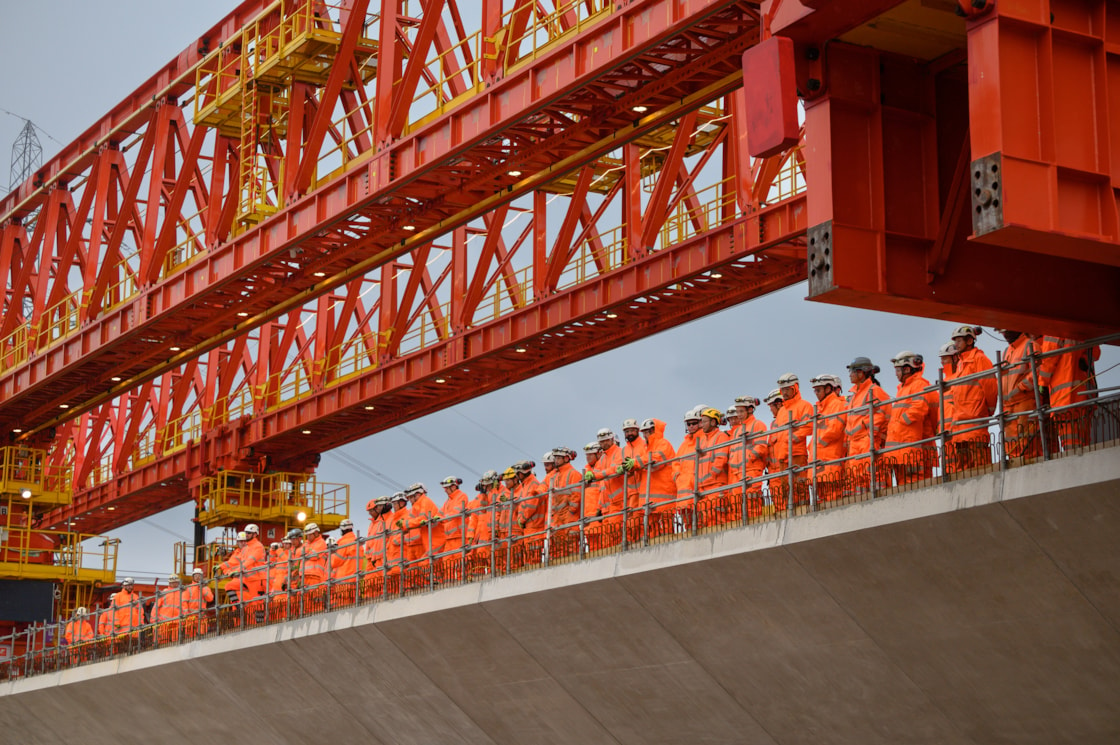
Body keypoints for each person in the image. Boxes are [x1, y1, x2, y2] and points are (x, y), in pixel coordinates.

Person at [947, 325, 997, 472]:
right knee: (963, 467)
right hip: (961, 423)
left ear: (969, 341)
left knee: (981, 465)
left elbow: (990, 387)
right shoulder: (962, 363)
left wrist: (989, 410)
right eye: (955, 341)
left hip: (974, 420)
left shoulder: (979, 359)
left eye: (959, 340)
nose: (956, 344)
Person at [1038, 335, 1100, 449]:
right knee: (1084, 441)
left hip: (1064, 399)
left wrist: (1042, 383)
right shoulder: (1081, 325)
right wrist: (1085, 359)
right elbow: (1095, 351)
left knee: (1070, 444)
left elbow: (1049, 360)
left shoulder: (1053, 329)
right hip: (1085, 395)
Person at [843, 357, 891, 491]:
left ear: (862, 372)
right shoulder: (855, 395)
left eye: (853, 371)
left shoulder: (874, 390)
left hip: (867, 440)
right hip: (855, 443)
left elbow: (883, 414)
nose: (850, 375)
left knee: (873, 473)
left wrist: (871, 434)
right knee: (857, 477)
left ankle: (879, 499)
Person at [886, 352, 932, 485]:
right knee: (903, 485)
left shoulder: (919, 384)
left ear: (907, 368)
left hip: (909, 446)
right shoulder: (902, 388)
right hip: (900, 449)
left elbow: (919, 408)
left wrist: (901, 422)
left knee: (914, 483)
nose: (896, 373)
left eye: (898, 370)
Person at [770, 374, 814, 506]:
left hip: (797, 454)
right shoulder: (782, 411)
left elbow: (809, 427)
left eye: (787, 389)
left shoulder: (804, 406)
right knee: (786, 490)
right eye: (782, 390)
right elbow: (778, 435)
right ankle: (791, 511)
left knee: (800, 488)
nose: (784, 393)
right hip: (783, 457)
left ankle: (803, 510)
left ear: (795, 388)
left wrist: (793, 438)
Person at [727, 396, 769, 517]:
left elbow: (760, 447)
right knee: (737, 504)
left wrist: (747, 460)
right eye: (737, 411)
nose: (738, 415)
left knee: (752, 503)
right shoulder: (736, 431)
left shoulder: (758, 425)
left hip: (751, 470)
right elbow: (733, 451)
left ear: (750, 410)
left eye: (741, 411)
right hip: (737, 472)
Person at [636, 418, 678, 537]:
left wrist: (635, 462)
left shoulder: (664, 444)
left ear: (654, 430)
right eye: (643, 432)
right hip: (650, 497)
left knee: (666, 526)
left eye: (647, 432)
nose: (644, 435)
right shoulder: (645, 448)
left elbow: (656, 461)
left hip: (664, 495)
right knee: (651, 528)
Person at [808, 375, 846, 502]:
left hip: (830, 460)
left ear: (828, 389)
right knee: (821, 501)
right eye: (815, 391)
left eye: (818, 390)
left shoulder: (837, 405)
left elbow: (835, 430)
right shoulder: (819, 408)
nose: (816, 394)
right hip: (818, 461)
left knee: (833, 499)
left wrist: (818, 443)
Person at [589, 428, 625, 547]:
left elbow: (613, 469)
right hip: (606, 505)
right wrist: (599, 507)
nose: (604, 443)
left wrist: (596, 474)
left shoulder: (619, 452)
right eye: (601, 442)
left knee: (617, 531)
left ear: (612, 440)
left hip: (619, 500)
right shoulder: (603, 458)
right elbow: (601, 486)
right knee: (607, 537)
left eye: (606, 441)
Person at [695, 407, 731, 524]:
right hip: (704, 487)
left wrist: (711, 476)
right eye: (701, 421)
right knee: (706, 518)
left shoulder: (721, 436)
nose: (702, 424)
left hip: (716, 485)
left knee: (719, 518)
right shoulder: (702, 440)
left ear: (713, 422)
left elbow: (720, 460)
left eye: (704, 421)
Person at [548, 447, 583, 558]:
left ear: (566, 458)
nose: (556, 460)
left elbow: (576, 495)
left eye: (559, 458)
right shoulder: (555, 476)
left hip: (570, 518)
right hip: (559, 519)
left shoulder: (574, 474)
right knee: (559, 548)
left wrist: (570, 512)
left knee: (571, 548)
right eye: (556, 458)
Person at [673, 408, 703, 499]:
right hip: (684, 487)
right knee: (685, 510)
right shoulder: (684, 444)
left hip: (698, 484)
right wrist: (677, 476)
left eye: (694, 423)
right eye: (688, 424)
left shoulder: (704, 439)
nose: (691, 426)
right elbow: (675, 462)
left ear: (700, 423)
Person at [329, 519, 360, 605]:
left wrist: (331, 555)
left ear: (343, 529)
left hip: (344, 580)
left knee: (343, 607)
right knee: (355, 605)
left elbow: (335, 562)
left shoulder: (343, 543)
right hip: (356, 579)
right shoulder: (357, 541)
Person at [181, 568, 214, 637]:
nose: (197, 577)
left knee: (202, 635)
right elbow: (184, 602)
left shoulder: (205, 588)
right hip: (191, 616)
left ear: (202, 577)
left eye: (199, 576)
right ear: (193, 577)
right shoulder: (189, 588)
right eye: (196, 576)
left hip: (202, 615)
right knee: (190, 636)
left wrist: (203, 588)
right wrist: (186, 614)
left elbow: (210, 599)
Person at [154, 574, 185, 644]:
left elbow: (183, 607)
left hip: (176, 621)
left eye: (176, 582)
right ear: (169, 583)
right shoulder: (164, 592)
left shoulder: (181, 593)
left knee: (176, 641)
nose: (174, 584)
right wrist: (154, 620)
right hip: (165, 621)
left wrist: (183, 619)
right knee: (163, 641)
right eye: (173, 582)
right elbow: (156, 607)